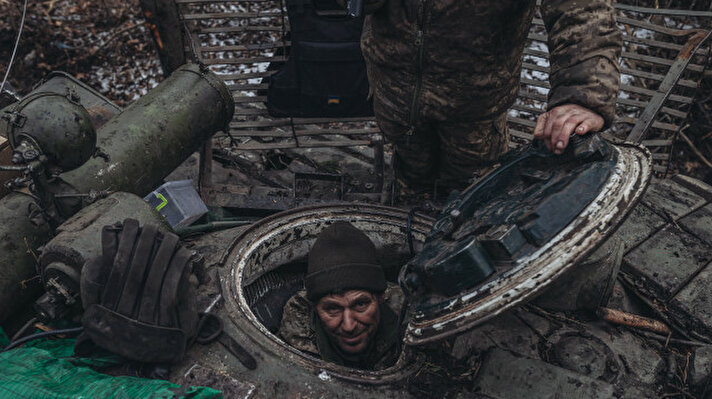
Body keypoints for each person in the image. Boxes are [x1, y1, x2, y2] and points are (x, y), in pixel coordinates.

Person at [350, 0, 622, 194]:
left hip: (475, 106)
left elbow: (583, 10)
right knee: (409, 180)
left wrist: (582, 93)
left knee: (476, 193)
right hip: (395, 93)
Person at [278, 221, 403, 370]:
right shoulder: (287, 352)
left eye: (360, 305)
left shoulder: (409, 323)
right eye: (333, 309)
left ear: (382, 297)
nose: (349, 326)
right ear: (315, 308)